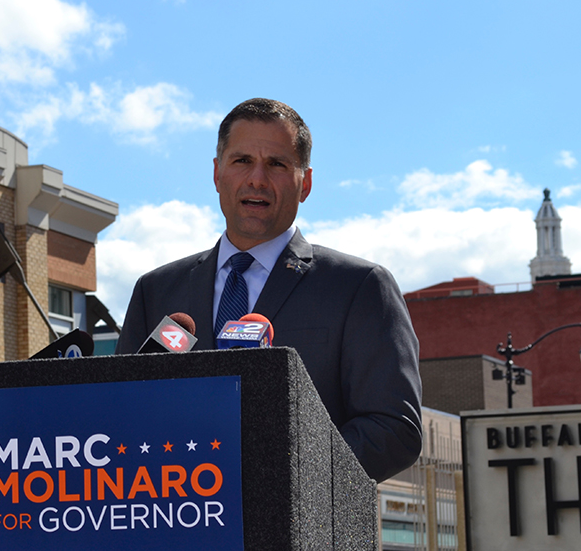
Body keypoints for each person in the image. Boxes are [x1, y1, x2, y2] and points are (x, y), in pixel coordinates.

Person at [115, 98, 422, 483]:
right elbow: (123, 417)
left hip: (298, 532)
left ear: (305, 183)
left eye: (276, 164)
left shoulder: (358, 287)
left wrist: (283, 476)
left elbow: (394, 431)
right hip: (179, 524)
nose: (257, 179)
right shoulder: (156, 291)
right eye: (241, 161)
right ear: (217, 173)